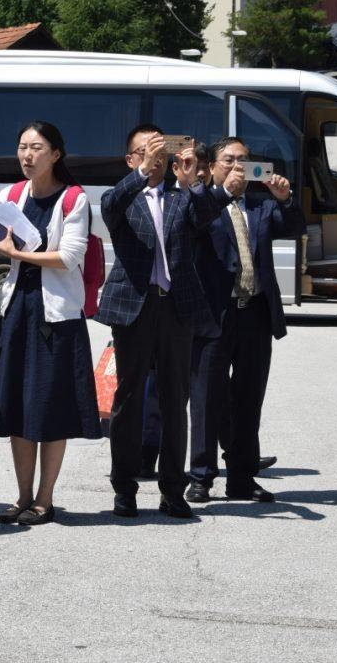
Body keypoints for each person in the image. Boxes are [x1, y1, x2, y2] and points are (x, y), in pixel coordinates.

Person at [0, 122, 101, 525]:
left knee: (51, 407)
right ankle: (23, 495)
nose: (27, 155)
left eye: (37, 148)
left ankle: (45, 498)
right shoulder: (9, 196)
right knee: (17, 405)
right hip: (16, 311)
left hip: (56, 315)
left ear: (56, 154)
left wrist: (18, 254)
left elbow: (69, 257)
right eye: (22, 147)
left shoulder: (74, 199)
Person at [97, 123, 235, 519]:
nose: (156, 157)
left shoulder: (179, 197)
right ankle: (125, 488)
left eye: (161, 151)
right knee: (129, 398)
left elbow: (206, 216)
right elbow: (110, 206)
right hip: (134, 308)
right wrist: (142, 172)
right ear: (131, 159)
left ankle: (173, 490)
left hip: (176, 307)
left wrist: (192, 183)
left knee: (176, 400)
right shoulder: (123, 197)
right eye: (147, 151)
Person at [186, 137, 304, 503]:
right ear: (212, 166)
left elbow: (293, 226)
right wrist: (223, 194)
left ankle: (242, 477)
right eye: (229, 159)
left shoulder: (260, 204)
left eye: (244, 160)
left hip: (254, 313)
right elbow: (193, 225)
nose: (238, 166)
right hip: (214, 315)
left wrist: (284, 198)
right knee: (206, 398)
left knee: (249, 398)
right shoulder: (202, 200)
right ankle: (201, 476)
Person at [140, 141, 214, 477]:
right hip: (158, 306)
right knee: (151, 391)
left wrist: (194, 184)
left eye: (202, 166)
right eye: (190, 164)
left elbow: (204, 217)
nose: (199, 171)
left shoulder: (197, 197)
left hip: (194, 308)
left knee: (189, 392)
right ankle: (143, 457)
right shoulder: (159, 197)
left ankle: (188, 470)